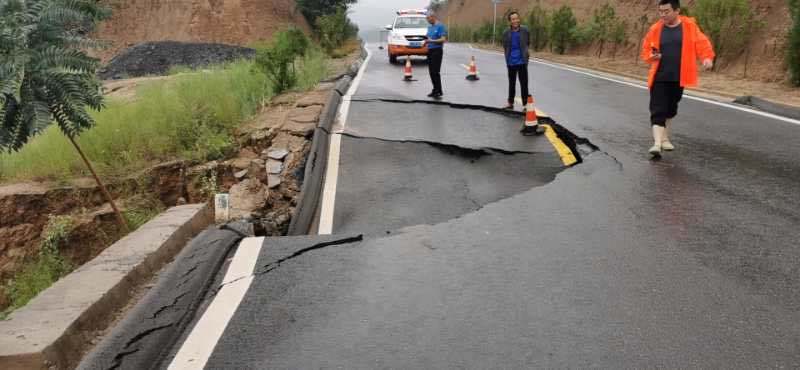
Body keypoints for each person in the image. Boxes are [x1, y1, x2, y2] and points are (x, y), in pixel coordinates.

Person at [641, 0, 714, 158]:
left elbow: (702, 43)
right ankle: (657, 143)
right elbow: (646, 49)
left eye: (666, 11)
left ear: (677, 11)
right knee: (658, 109)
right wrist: (652, 56)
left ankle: (665, 138)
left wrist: (706, 58)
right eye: (660, 11)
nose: (663, 15)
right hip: (659, 76)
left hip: (679, 77)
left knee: (670, 109)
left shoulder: (689, 26)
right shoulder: (655, 29)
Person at [502, 11, 530, 110]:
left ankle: (526, 104)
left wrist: (526, 54)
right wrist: (508, 58)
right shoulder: (506, 33)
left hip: (522, 61)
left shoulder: (525, 30)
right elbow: (505, 47)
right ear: (510, 21)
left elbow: (527, 43)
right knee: (512, 83)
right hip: (511, 62)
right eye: (513, 19)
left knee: (524, 83)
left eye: (516, 18)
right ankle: (510, 103)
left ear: (519, 19)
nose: (515, 21)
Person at [424, 12, 447, 98]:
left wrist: (431, 41)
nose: (427, 21)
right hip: (430, 50)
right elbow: (428, 38)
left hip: (437, 50)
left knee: (435, 71)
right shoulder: (429, 27)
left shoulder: (440, 26)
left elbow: (443, 39)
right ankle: (435, 90)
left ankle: (438, 91)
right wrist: (425, 41)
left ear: (433, 17)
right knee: (431, 72)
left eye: (428, 19)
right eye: (426, 19)